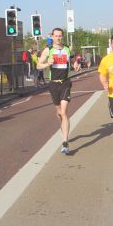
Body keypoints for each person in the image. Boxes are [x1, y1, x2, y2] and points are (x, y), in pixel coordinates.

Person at [37, 27, 81, 155]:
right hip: (53, 85)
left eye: (60, 36)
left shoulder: (67, 49)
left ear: (63, 36)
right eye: (56, 36)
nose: (58, 38)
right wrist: (48, 64)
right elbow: (39, 65)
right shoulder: (48, 50)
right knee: (59, 113)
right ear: (52, 36)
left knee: (64, 112)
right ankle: (63, 127)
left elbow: (73, 63)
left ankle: (65, 142)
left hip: (65, 83)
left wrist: (76, 66)